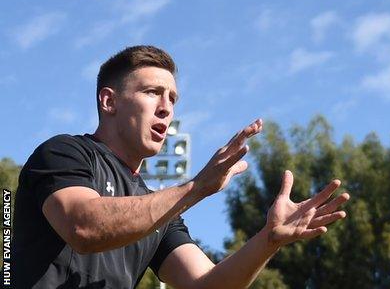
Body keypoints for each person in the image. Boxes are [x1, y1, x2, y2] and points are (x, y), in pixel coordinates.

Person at [13, 45, 350, 288]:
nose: (166, 108)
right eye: (152, 92)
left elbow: (207, 285)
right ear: (109, 101)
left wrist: (268, 240)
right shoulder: (64, 153)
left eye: (172, 98)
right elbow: (82, 228)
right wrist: (195, 187)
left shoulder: (161, 211)